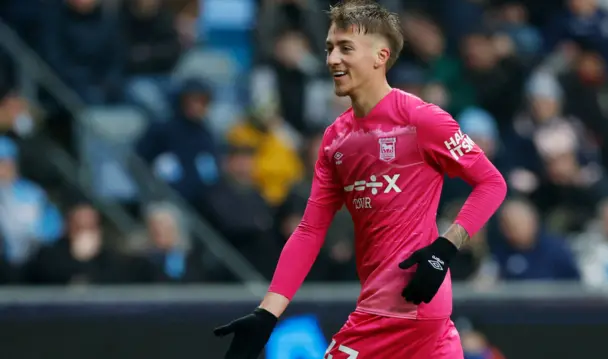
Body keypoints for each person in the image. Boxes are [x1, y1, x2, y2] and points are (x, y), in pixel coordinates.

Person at [214, 1, 507, 358]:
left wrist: (443, 249)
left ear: (380, 56)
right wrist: (266, 312)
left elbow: (492, 183)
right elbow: (309, 231)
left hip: (399, 309)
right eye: (329, 48)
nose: (332, 59)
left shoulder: (421, 120)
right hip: (416, 313)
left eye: (345, 48)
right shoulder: (336, 139)